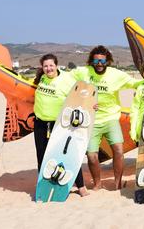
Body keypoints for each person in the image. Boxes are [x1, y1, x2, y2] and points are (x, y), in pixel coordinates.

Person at [71, 45, 142, 190]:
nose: (99, 64)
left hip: (111, 119)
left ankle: (117, 183)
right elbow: (66, 80)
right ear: (91, 61)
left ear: (107, 61)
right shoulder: (84, 72)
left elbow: (135, 83)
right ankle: (97, 184)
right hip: (90, 121)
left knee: (118, 150)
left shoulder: (116, 74)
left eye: (102, 61)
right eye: (96, 61)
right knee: (91, 156)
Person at [33, 53, 89, 197]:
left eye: (51, 65)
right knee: (42, 155)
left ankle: (81, 186)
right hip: (40, 124)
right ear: (42, 67)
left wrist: (92, 105)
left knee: (69, 153)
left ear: (56, 65)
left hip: (61, 124)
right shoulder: (41, 78)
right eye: (45, 66)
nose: (48, 68)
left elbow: (83, 93)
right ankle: (43, 187)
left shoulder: (67, 79)